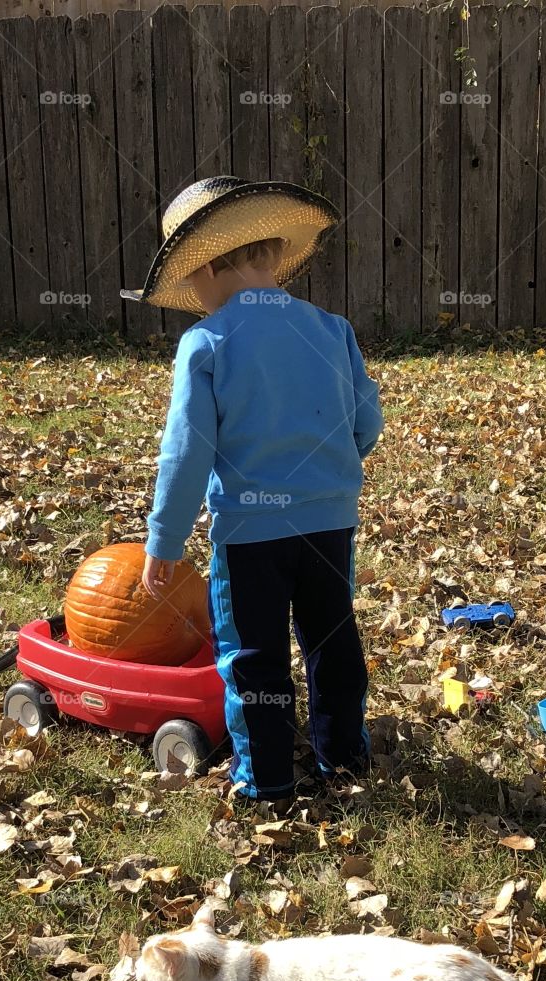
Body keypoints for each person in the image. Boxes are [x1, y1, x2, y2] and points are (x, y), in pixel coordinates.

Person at [121, 176, 383, 802]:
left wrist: (165, 539)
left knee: (254, 655)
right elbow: (365, 424)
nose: (196, 300)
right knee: (331, 640)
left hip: (250, 535)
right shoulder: (331, 330)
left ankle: (265, 778)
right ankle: (343, 758)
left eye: (193, 286)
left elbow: (187, 451)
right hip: (329, 525)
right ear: (271, 255)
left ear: (208, 267)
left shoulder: (207, 343)